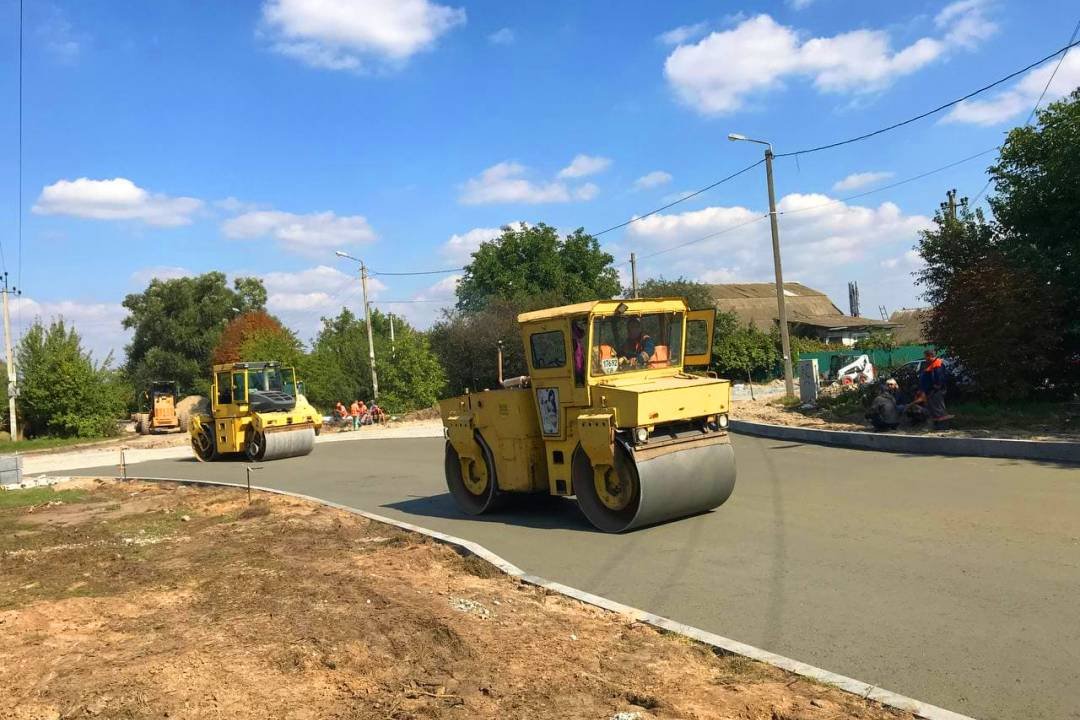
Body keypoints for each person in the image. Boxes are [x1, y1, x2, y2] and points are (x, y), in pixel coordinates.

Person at [919, 349, 950, 423]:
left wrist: (937, 385)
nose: (925, 358)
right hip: (930, 390)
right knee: (933, 408)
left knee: (938, 408)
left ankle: (942, 424)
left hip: (935, 390)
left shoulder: (937, 364)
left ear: (930, 356)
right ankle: (936, 423)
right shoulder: (932, 363)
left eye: (925, 356)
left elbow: (939, 376)